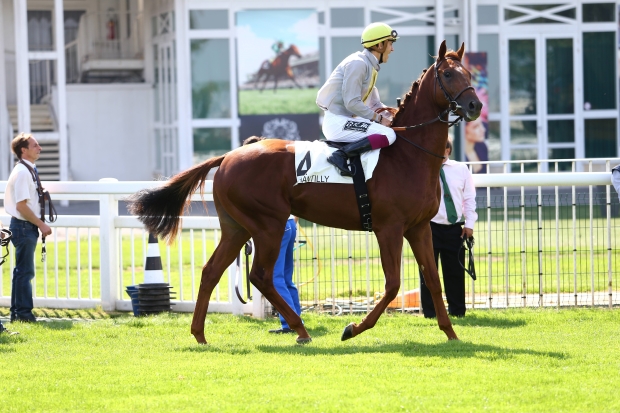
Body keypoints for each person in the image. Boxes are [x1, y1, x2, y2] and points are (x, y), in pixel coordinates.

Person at [316, 22, 398, 177]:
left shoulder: (369, 66)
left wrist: (394, 115)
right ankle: (341, 155)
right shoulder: (358, 64)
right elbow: (352, 103)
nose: (392, 49)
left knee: (391, 130)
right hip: (337, 122)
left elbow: (374, 104)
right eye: (390, 44)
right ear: (380, 45)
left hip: (345, 120)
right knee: (389, 135)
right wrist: (380, 119)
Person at [240, 136, 303, 333]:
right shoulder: (274, 169)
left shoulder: (257, 176)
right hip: (290, 224)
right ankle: (296, 318)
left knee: (275, 278)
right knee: (285, 277)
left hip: (278, 228)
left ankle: (289, 323)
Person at [420, 139, 477, 318]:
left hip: (455, 228)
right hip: (429, 227)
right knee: (428, 272)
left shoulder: (461, 169)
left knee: (455, 272)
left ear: (448, 150)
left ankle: (458, 311)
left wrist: (469, 224)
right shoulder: (423, 169)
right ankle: (430, 313)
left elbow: (468, 198)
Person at [4, 133, 53, 323]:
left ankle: (18, 313)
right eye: (35, 145)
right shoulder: (24, 172)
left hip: (23, 226)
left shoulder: (27, 169)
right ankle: (23, 314)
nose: (39, 148)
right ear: (23, 150)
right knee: (25, 272)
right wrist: (41, 224)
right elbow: (21, 206)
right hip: (24, 227)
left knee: (22, 272)